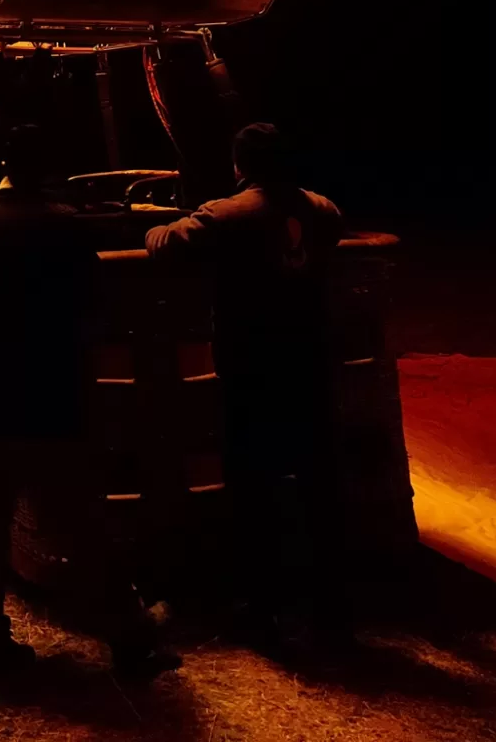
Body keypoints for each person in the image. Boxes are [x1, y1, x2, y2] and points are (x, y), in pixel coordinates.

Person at [0, 122, 175, 682]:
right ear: (48, 169)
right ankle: (129, 634)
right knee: (83, 518)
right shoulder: (67, 230)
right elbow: (94, 308)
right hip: (50, 390)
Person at [145, 122, 344, 643]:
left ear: (240, 166)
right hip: (311, 362)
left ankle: (262, 603)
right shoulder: (324, 210)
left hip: (252, 364)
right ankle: (328, 599)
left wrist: (154, 225)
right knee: (317, 481)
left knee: (253, 483)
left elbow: (166, 244)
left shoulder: (226, 214)